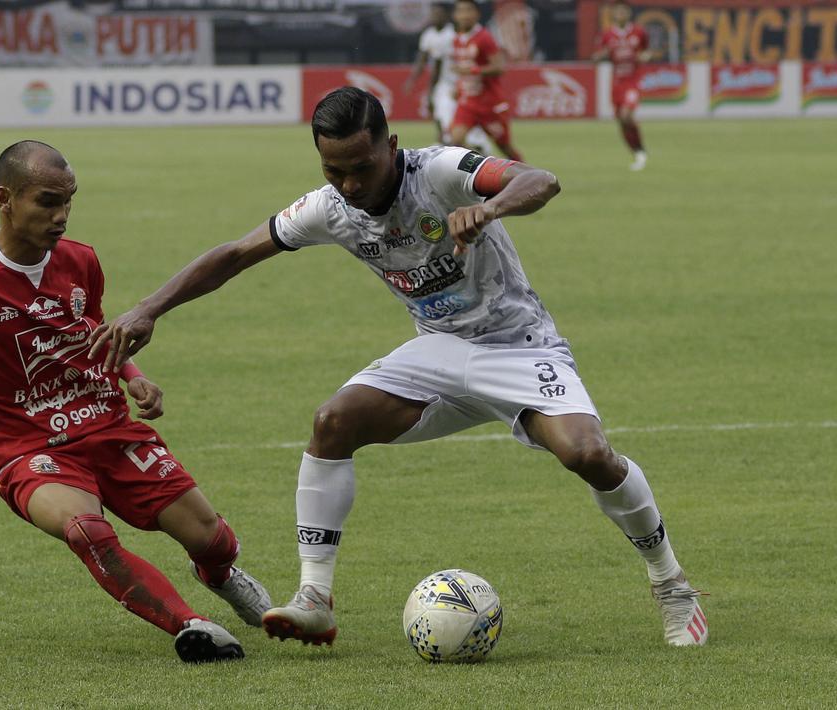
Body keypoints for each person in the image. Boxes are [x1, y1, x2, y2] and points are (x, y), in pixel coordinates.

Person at [89, 88, 708, 649]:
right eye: (335, 170)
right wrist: (149, 308)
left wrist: (491, 209)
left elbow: (539, 179)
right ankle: (315, 599)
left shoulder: (440, 170)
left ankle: (672, 586)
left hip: (518, 345)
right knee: (332, 422)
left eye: (362, 167)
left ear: (392, 145)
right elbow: (234, 254)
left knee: (588, 456)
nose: (351, 185)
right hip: (437, 351)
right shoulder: (328, 207)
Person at [0, 141, 270, 663]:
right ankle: (190, 625)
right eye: (48, 202)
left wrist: (133, 375)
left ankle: (221, 576)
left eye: (69, 201)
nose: (61, 216)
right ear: (5, 198)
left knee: (211, 538)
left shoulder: (81, 260)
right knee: (86, 530)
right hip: (27, 448)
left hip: (108, 427)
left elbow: (91, 329)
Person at [403, 2, 494, 154]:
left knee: (457, 125)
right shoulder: (429, 34)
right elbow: (425, 60)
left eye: (438, 13)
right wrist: (414, 80)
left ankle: (474, 151)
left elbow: (438, 66)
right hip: (446, 85)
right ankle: (447, 144)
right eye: (433, 13)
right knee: (442, 116)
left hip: (460, 85)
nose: (434, 16)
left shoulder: (452, 35)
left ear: (447, 15)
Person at [448, 0, 523, 161]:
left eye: (469, 10)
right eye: (461, 11)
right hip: (468, 103)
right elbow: (463, 69)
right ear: (455, 15)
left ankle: (530, 178)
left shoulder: (484, 37)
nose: (465, 15)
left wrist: (473, 71)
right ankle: (485, 165)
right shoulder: (457, 39)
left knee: (505, 148)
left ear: (477, 14)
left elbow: (499, 67)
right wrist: (459, 87)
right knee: (455, 142)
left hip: (489, 104)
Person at [592, 1, 655, 171]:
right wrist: (601, 55)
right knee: (621, 121)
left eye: (623, 12)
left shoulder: (639, 32)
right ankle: (636, 151)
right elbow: (596, 57)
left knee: (626, 115)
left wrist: (646, 56)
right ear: (614, 14)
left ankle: (641, 149)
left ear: (628, 14)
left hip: (633, 81)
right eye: (618, 12)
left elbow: (647, 50)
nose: (621, 14)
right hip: (616, 84)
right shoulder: (607, 35)